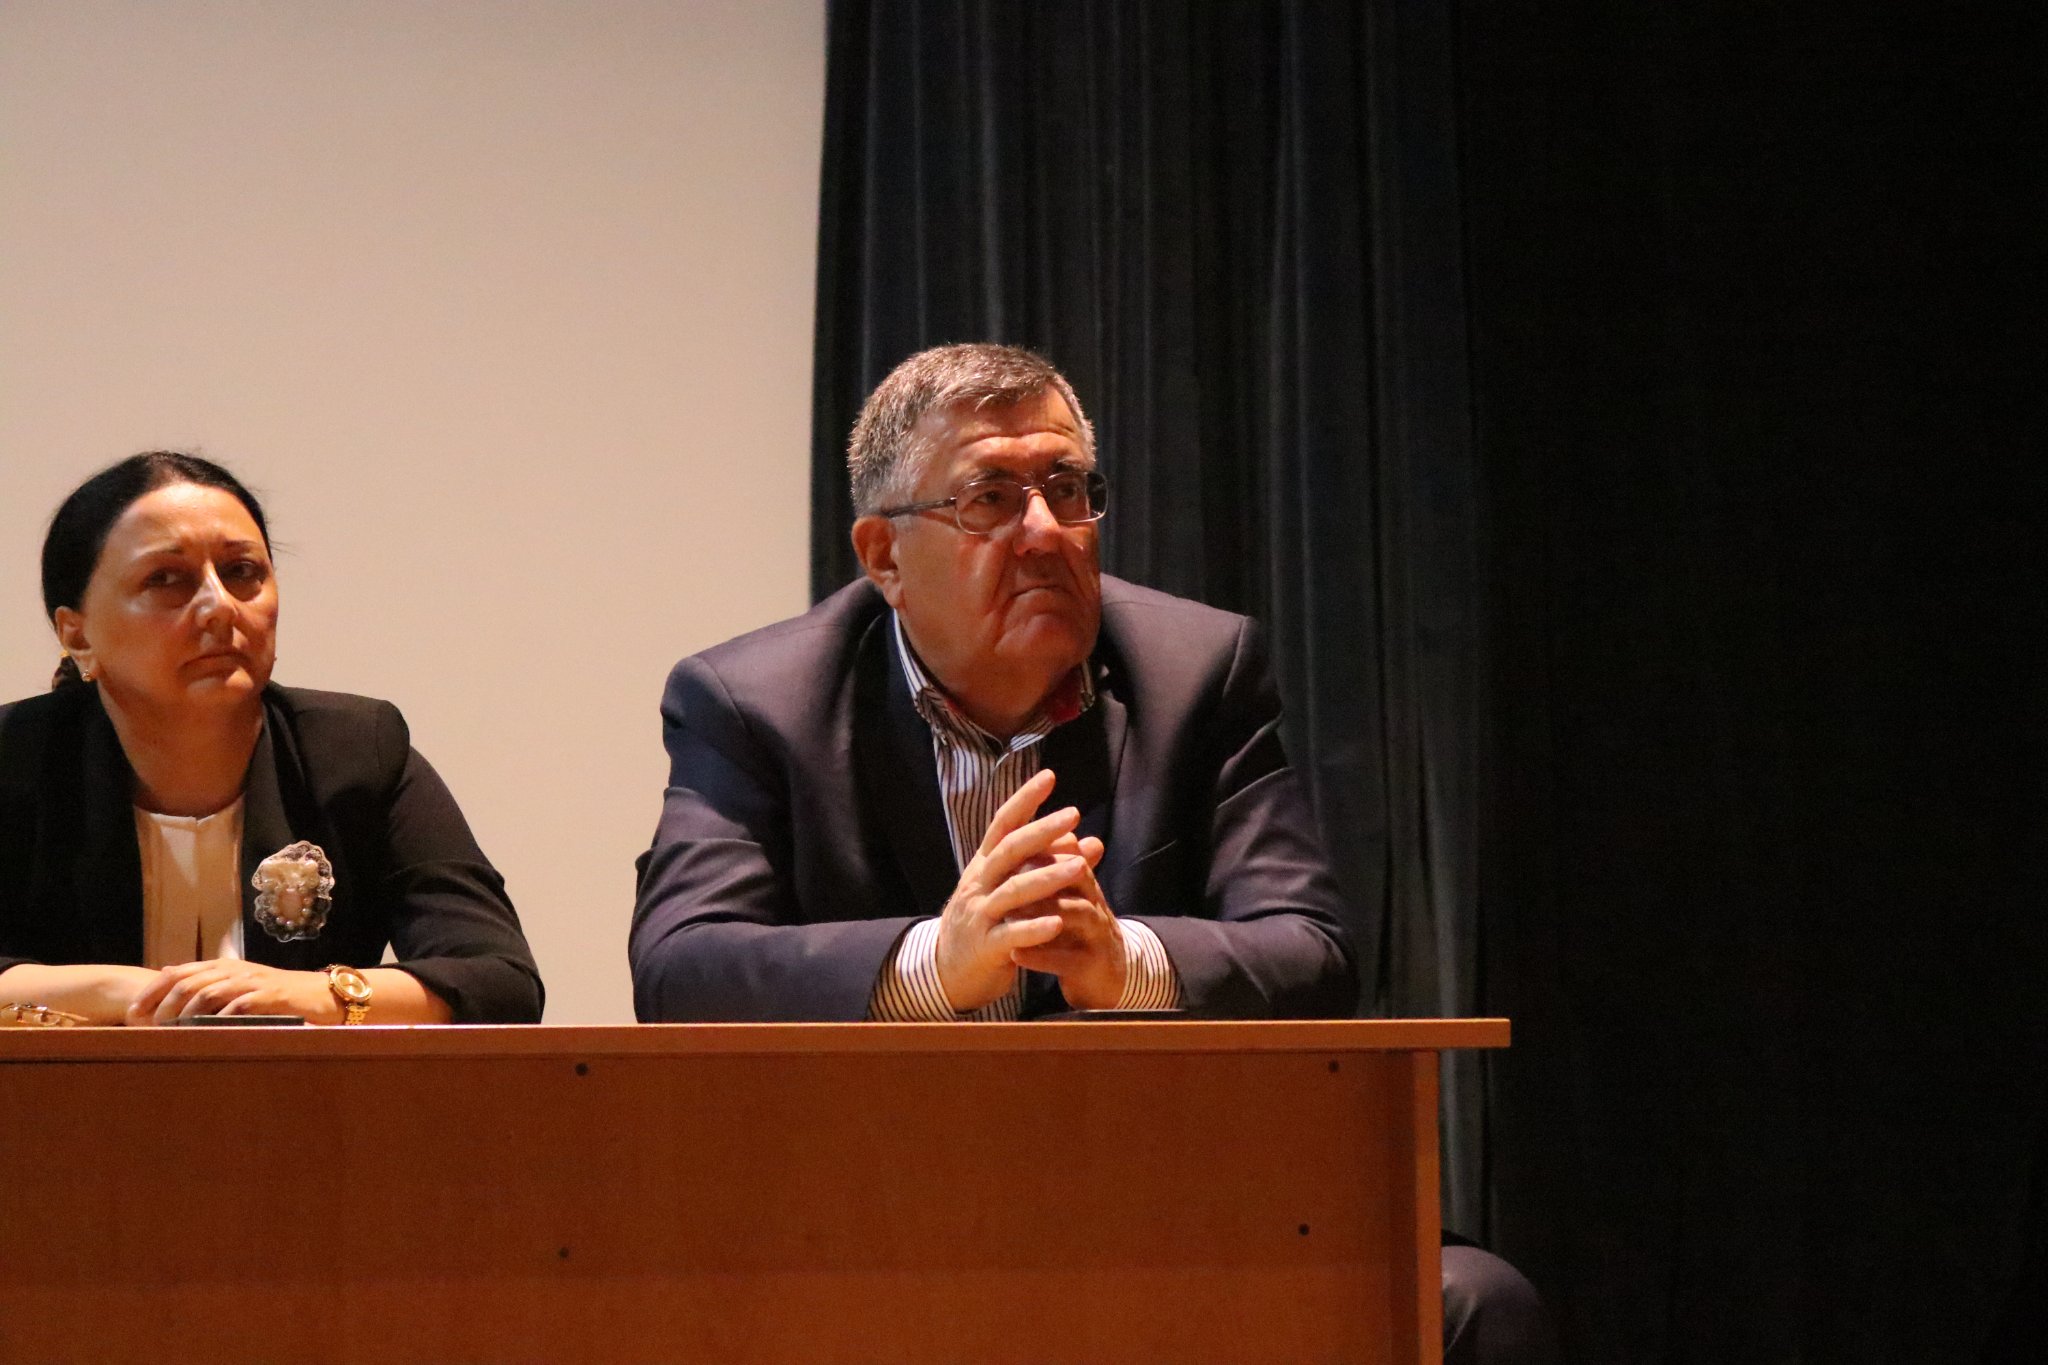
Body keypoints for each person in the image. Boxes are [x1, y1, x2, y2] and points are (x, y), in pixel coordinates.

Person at [631, 343, 1556, 1361]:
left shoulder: (1197, 671)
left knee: (1476, 1304)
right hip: (867, 1213)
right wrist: (935, 963)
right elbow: (681, 966)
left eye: (1066, 489)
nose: (1043, 532)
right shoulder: (753, 703)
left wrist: (1126, 963)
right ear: (883, 555)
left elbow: (1311, 950)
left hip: (1159, 1202)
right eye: (990, 498)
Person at [0, 452, 542, 1025]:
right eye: (166, 579)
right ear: (77, 636)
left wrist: (314, 995)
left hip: (304, 1087)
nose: (219, 607)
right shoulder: (14, 760)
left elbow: (500, 981)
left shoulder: (357, 753)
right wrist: (124, 991)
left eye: (241, 572)